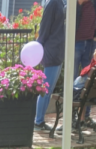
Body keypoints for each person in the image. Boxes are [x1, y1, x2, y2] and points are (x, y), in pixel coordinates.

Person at [34, 0, 66, 133]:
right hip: (52, 52)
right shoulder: (54, 4)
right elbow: (45, 27)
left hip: (57, 51)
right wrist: (39, 46)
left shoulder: (62, 3)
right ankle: (38, 121)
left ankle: (39, 120)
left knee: (47, 90)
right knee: (45, 90)